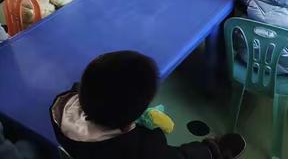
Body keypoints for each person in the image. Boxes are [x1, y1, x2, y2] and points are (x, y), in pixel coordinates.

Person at [51, 50, 246, 159]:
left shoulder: (59, 109)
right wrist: (209, 151)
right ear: (131, 119)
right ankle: (217, 151)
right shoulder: (144, 148)